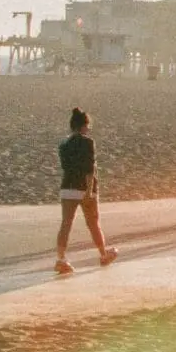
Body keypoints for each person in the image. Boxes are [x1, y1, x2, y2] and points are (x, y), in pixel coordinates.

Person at [54, 108, 116, 275]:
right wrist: (89, 190)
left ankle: (61, 259)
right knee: (93, 223)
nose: (88, 129)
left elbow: (66, 166)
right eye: (88, 126)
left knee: (66, 224)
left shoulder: (64, 144)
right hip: (84, 188)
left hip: (67, 187)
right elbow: (89, 169)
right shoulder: (88, 143)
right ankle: (103, 255)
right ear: (84, 126)